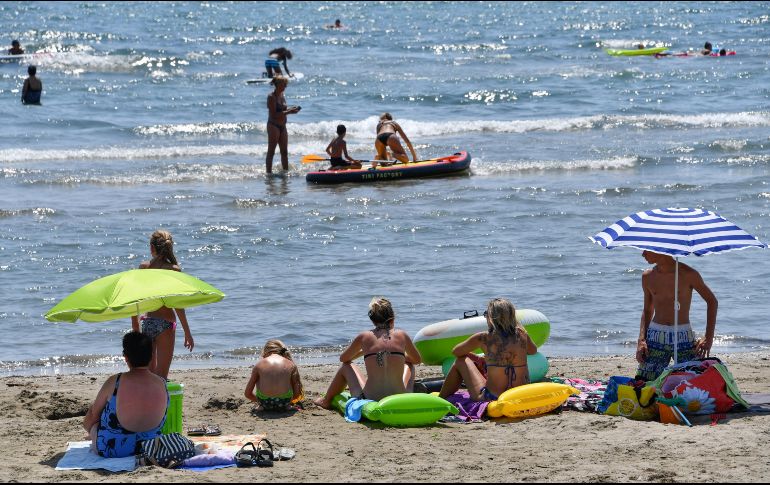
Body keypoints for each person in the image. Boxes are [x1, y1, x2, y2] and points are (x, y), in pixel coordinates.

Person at [313, 297, 422, 409]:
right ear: (392, 319)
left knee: (346, 366)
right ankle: (408, 393)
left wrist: (364, 352)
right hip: (399, 398)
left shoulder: (364, 336)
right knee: (409, 364)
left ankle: (326, 401)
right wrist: (397, 356)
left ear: (373, 321)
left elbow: (344, 359)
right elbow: (417, 360)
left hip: (369, 398)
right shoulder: (402, 335)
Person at [82, 331, 168, 458]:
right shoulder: (161, 383)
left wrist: (92, 429)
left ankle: (94, 436)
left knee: (94, 420)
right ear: (151, 356)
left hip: (114, 450)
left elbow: (93, 415)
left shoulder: (115, 382)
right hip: (151, 448)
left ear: (126, 357)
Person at [635, 251, 718, 381]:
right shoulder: (648, 276)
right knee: (645, 383)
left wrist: (708, 336)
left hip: (683, 336)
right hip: (655, 336)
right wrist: (641, 340)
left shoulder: (689, 274)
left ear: (659, 249)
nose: (642, 254)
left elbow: (712, 301)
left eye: (646, 249)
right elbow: (647, 311)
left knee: (693, 382)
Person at [438, 298, 537, 402]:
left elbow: (456, 352)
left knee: (460, 361)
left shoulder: (484, 338)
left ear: (491, 318)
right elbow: (533, 351)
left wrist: (477, 358)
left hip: (492, 398)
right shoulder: (522, 335)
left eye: (486, 314)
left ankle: (441, 399)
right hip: (520, 395)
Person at [130, 230, 194, 379]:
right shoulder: (174, 270)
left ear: (152, 247)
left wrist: (135, 323)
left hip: (147, 322)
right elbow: (177, 303)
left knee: (148, 375)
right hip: (166, 324)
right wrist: (187, 332)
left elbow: (134, 296)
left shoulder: (143, 267)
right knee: (161, 377)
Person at [244, 339, 305, 412]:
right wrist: (290, 402)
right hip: (284, 403)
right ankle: (288, 406)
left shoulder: (259, 365)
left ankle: (261, 407)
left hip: (265, 403)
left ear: (266, 351)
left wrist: (259, 401)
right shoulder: (291, 364)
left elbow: (247, 394)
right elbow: (297, 393)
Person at [265, 76, 300, 174]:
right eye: (284, 84)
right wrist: (289, 111)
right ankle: (269, 173)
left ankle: (285, 173)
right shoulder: (271, 97)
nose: (285, 86)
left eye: (286, 84)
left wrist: (291, 109)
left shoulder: (282, 95)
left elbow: (283, 109)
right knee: (271, 151)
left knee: (284, 152)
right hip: (273, 125)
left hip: (283, 126)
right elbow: (274, 114)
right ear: (278, 85)